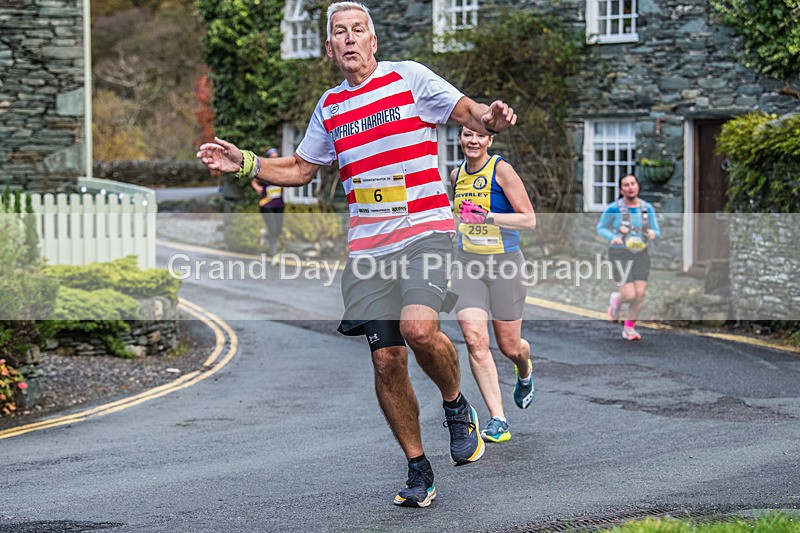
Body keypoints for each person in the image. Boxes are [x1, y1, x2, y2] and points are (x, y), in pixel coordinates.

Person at [196, 1, 517, 508]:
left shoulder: (409, 79)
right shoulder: (329, 107)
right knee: (387, 361)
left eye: (358, 30)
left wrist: (490, 116)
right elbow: (302, 170)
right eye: (339, 33)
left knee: (417, 328)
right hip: (369, 250)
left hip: (425, 232)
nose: (349, 39)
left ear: (373, 41)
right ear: (329, 48)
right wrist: (246, 163)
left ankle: (456, 404)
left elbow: (467, 111)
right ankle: (418, 469)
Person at [450, 126, 536, 444]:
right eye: (467, 134)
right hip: (467, 263)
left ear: (490, 141)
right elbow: (458, 216)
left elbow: (529, 219)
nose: (473, 141)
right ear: (459, 138)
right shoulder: (456, 172)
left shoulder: (502, 169)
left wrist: (487, 218)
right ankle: (498, 418)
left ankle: (524, 369)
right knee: (475, 340)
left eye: (479, 136)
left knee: (510, 346)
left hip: (505, 264)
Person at [596, 173, 661, 340]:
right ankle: (617, 299)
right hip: (619, 254)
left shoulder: (647, 208)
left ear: (637, 186)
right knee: (629, 295)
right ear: (621, 189)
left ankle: (629, 328)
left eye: (633, 183)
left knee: (640, 294)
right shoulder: (613, 208)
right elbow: (601, 228)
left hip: (641, 254)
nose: (630, 187)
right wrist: (613, 237)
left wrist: (654, 233)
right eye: (626, 185)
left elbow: (656, 229)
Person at [250, 147, 284, 260]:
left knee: (278, 230)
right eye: (272, 157)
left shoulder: (281, 170)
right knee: (273, 229)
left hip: (279, 204)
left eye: (277, 156)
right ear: (268, 158)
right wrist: (257, 188)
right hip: (266, 205)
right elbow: (254, 180)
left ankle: (264, 234)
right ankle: (273, 252)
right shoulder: (263, 170)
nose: (275, 159)